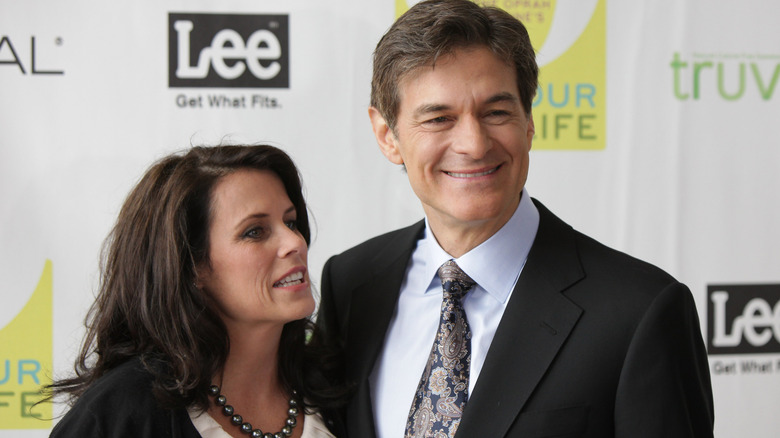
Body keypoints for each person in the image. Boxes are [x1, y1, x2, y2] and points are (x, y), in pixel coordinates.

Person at [318, 1, 714, 437]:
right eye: (438, 118)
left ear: (528, 122)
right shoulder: (351, 283)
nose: (473, 143)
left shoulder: (640, 312)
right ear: (386, 136)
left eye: (496, 112)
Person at [47, 145, 345, 438]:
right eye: (255, 231)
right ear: (191, 266)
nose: (295, 242)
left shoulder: (339, 387)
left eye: (290, 222)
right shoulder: (120, 413)